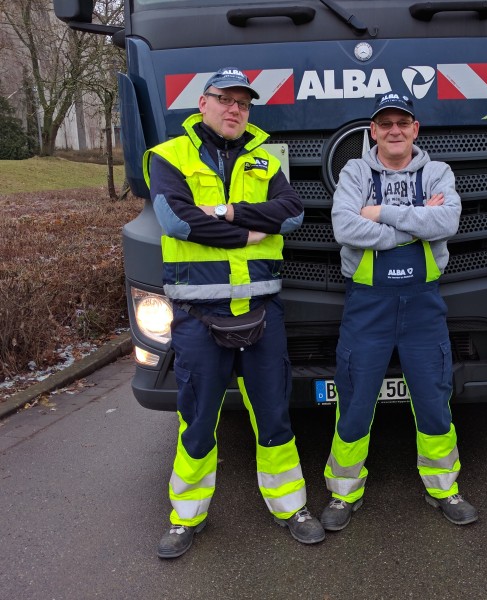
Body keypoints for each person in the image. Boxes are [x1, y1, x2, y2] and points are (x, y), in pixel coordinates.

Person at [143, 67, 325, 559]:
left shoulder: (264, 159)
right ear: (202, 103)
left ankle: (291, 506)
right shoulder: (168, 156)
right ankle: (186, 518)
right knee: (198, 420)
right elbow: (176, 221)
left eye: (243, 103)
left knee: (274, 415)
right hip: (198, 314)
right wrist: (248, 229)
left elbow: (291, 214)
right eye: (225, 99)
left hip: (262, 309)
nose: (235, 110)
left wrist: (222, 213)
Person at [319, 92, 477, 531]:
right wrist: (412, 226)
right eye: (385, 123)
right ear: (373, 131)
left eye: (402, 123)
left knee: (433, 397)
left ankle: (444, 488)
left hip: (423, 306)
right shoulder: (355, 171)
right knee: (354, 399)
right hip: (367, 306)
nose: (394, 130)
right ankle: (343, 493)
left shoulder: (437, 171)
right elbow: (343, 226)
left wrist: (382, 215)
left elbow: (446, 223)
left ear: (414, 129)